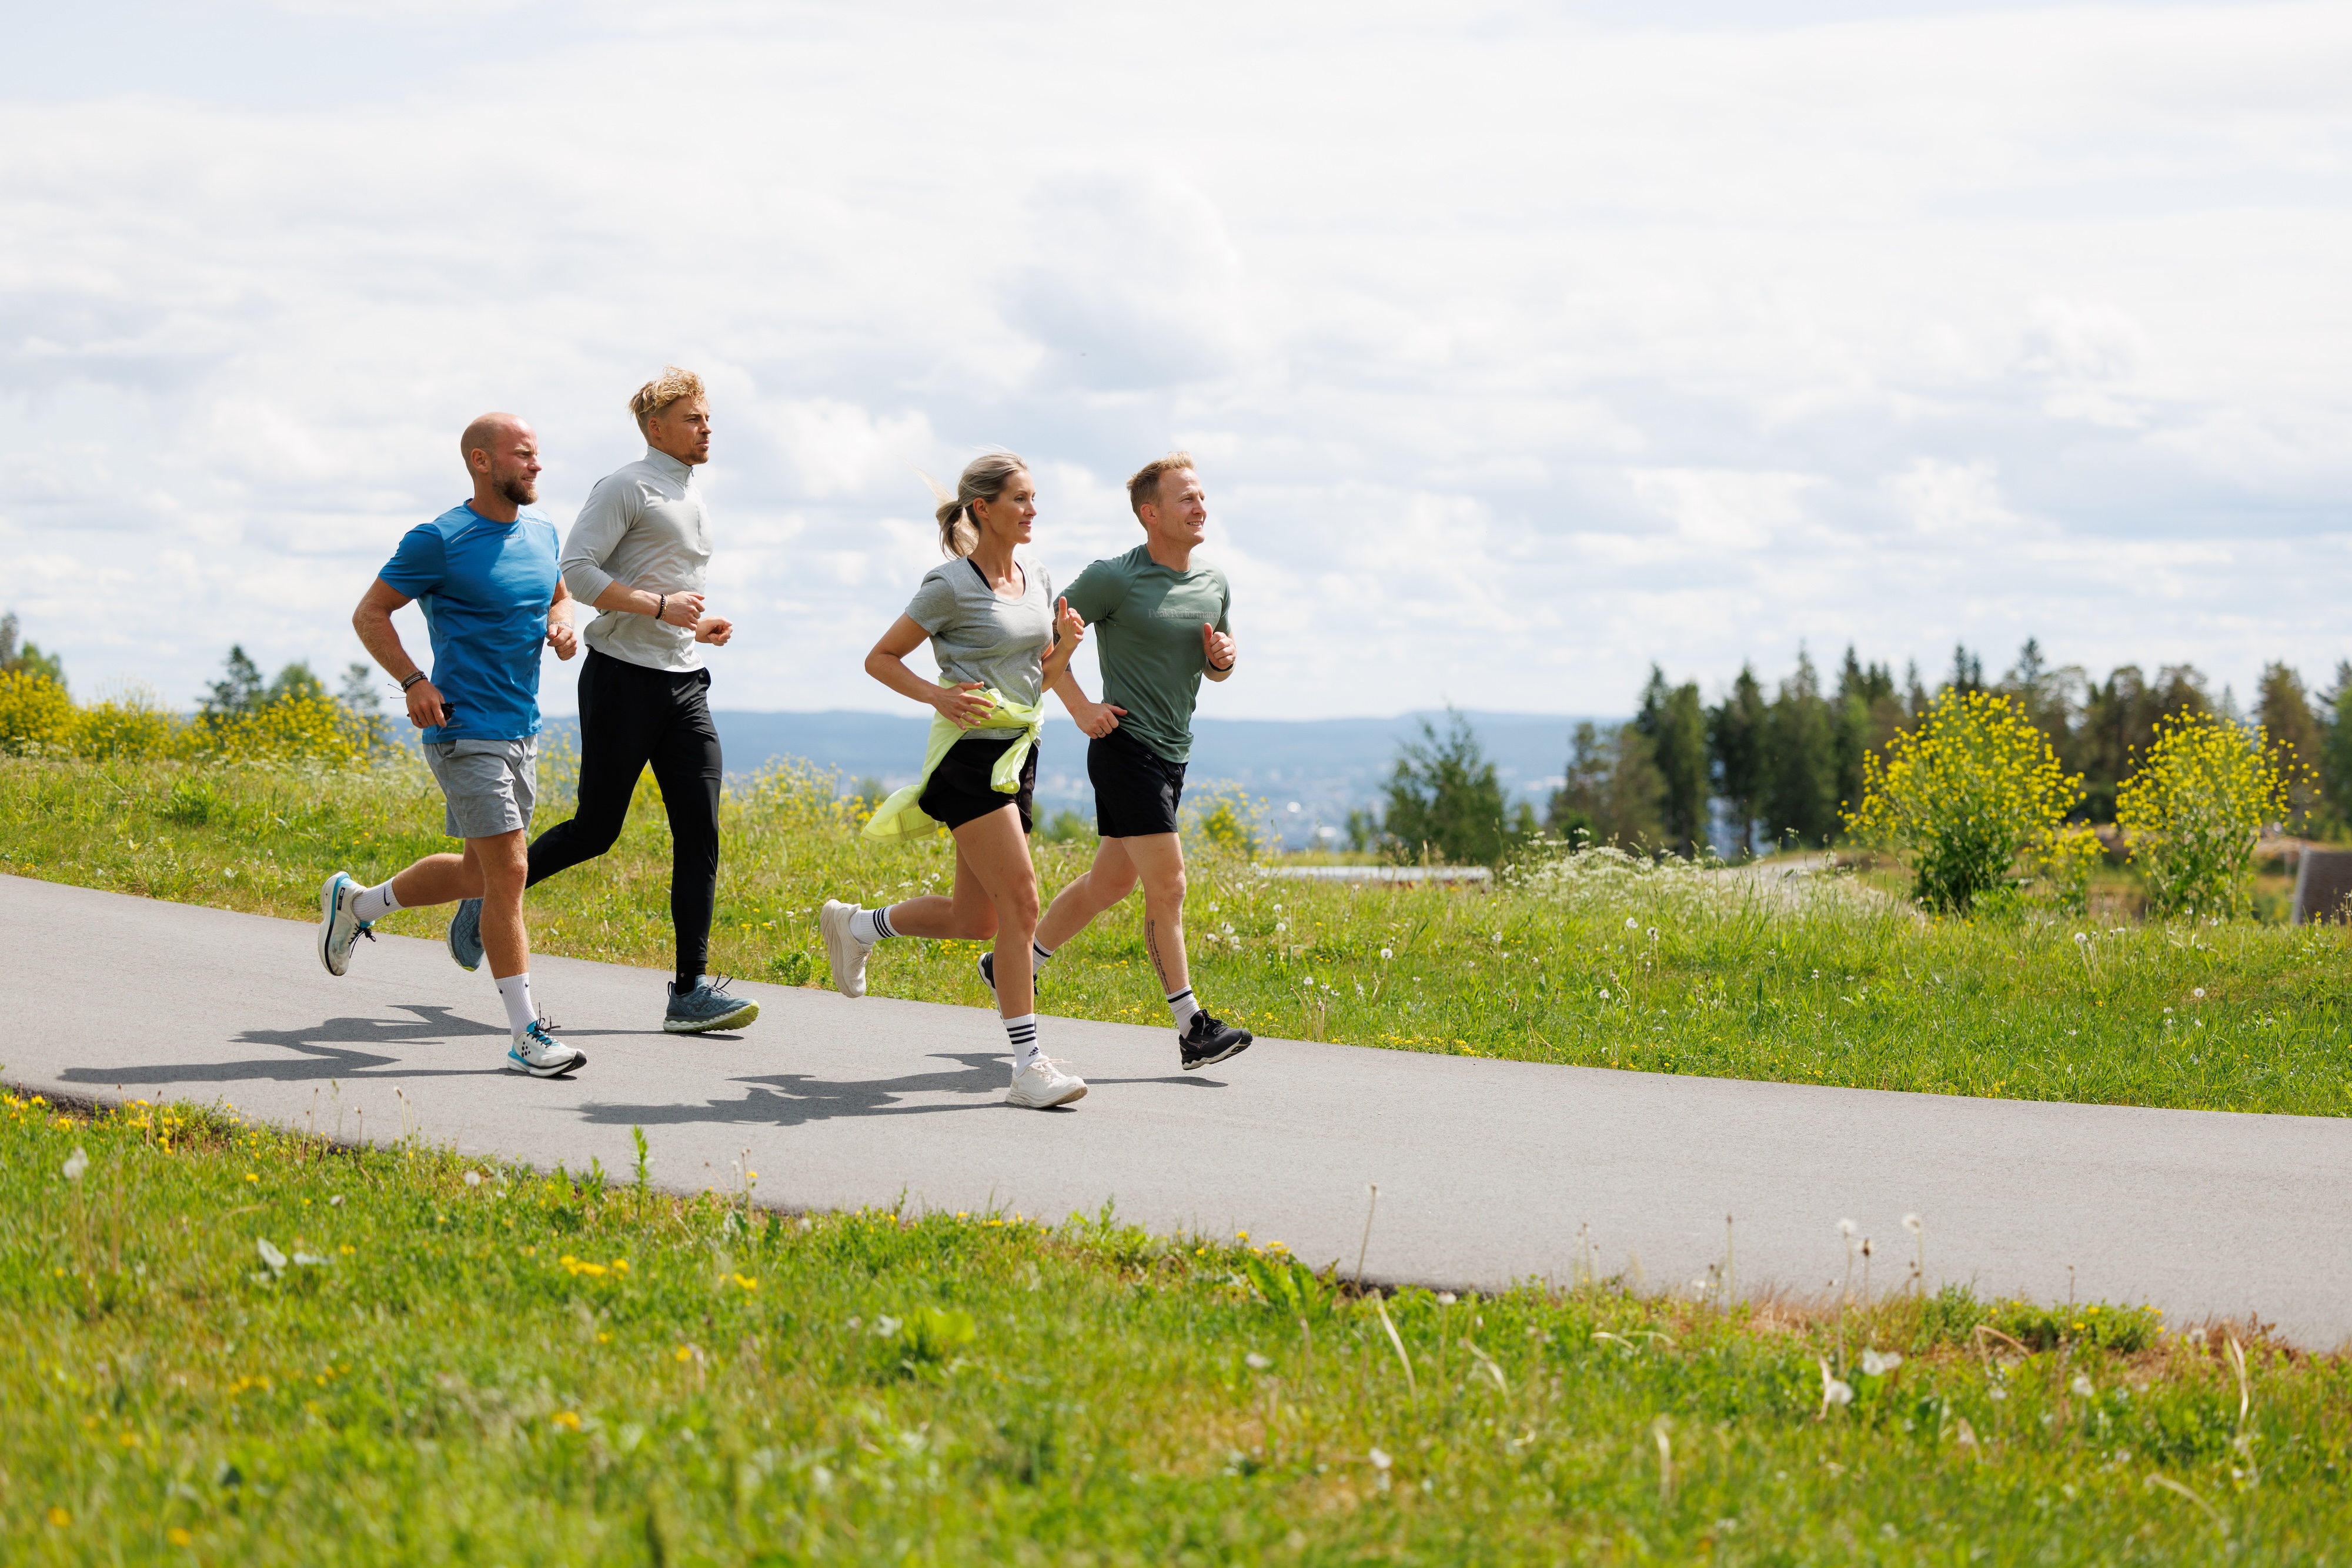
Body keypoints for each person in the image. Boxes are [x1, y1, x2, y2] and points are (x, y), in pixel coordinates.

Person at [447, 367, 757, 1035]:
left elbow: (663, 585)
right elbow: (578, 573)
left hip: (685, 680)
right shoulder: (627, 485)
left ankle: (690, 991)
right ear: (656, 427)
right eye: (693, 418)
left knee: (700, 833)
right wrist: (660, 606)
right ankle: (491, 896)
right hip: (622, 677)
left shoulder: (688, 491)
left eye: (708, 418)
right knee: (598, 830)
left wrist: (692, 624)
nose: (708, 428)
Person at [818, 452, 1091, 1110]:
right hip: (967, 758)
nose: (1031, 510)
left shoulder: (1038, 577)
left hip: (1018, 753)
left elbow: (1038, 681)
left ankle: (857, 927)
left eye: (1034, 498)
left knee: (978, 918)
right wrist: (935, 697)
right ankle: (1027, 1066)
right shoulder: (947, 585)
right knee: (1024, 904)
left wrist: (1069, 648)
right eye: (1020, 499)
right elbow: (880, 658)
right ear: (982, 509)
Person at [322, 412, 588, 1078]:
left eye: (537, 456)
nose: (535, 466)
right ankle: (526, 1034)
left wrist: (561, 626)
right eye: (522, 455)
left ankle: (358, 904)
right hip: (462, 728)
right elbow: (370, 612)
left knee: (479, 874)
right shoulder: (438, 540)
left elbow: (559, 597)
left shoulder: (542, 530)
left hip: (521, 728)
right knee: (511, 873)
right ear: (480, 461)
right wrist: (412, 680)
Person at [1033, 452, 1252, 1071]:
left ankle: (1014, 967)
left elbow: (1215, 669)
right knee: (1169, 886)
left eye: (1202, 496)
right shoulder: (1115, 577)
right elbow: (1046, 637)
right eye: (1186, 499)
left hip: (1174, 752)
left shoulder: (1213, 583)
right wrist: (1078, 707)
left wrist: (1223, 659)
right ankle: (1192, 1028)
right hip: (1125, 748)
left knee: (1111, 883)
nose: (1200, 507)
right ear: (1150, 514)